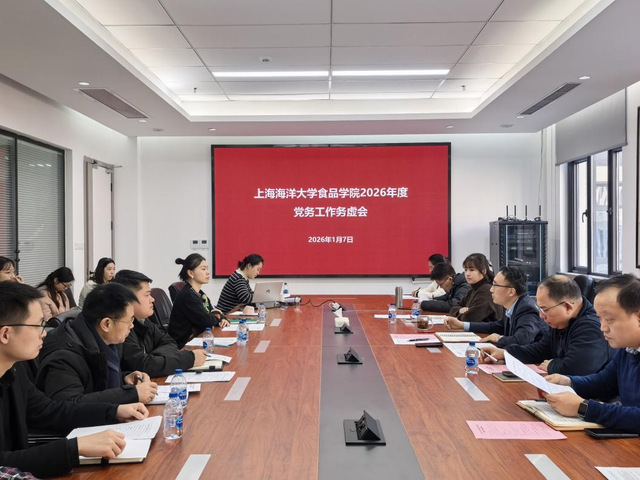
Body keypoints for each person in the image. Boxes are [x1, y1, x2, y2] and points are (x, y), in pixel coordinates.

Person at [0, 282, 149, 478]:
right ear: (5, 334)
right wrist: (74, 447)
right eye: (38, 325)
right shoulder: (59, 353)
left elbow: (49, 410)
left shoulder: (14, 369)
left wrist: (114, 411)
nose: (43, 333)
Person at [544, 274, 640, 432]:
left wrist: (584, 408)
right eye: (600, 319)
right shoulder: (628, 349)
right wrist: (569, 382)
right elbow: (603, 383)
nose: (603, 328)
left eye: (610, 320)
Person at [35, 283, 158, 404]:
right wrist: (130, 394)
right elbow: (69, 404)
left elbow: (96, 382)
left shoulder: (105, 340)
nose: (132, 326)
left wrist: (124, 378)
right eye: (129, 320)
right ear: (106, 324)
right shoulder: (64, 356)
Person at [481, 274, 611, 375]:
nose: (541, 316)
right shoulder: (560, 322)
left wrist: (552, 365)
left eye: (545, 310)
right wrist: (506, 353)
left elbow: (576, 368)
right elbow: (542, 350)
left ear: (567, 307)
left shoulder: (591, 327)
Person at [114, 269, 207, 377]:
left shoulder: (143, 321)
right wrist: (189, 359)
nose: (152, 299)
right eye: (147, 295)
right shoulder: (122, 329)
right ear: (128, 300)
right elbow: (143, 366)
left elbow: (170, 342)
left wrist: (153, 359)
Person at [444, 266, 547, 347]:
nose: (491, 289)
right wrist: (462, 325)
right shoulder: (512, 304)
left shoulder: (527, 309)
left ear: (511, 292)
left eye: (495, 285)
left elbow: (521, 340)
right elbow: (497, 326)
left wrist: (498, 339)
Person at [169, 254, 230, 348]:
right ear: (191, 273)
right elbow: (207, 321)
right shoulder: (188, 296)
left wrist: (222, 318)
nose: (208, 272)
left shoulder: (199, 293)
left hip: (197, 338)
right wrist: (218, 314)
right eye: (203, 269)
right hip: (184, 344)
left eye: (207, 268)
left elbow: (212, 311)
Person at [446, 253, 504, 323]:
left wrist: (461, 313)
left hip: (485, 330)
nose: (467, 274)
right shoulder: (473, 290)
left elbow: (469, 318)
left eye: (472, 270)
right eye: (465, 270)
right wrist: (460, 310)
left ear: (483, 271)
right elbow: (453, 308)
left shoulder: (486, 290)